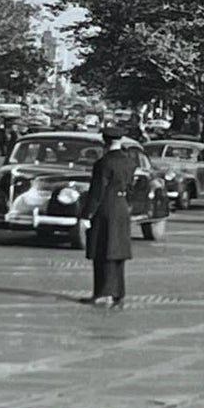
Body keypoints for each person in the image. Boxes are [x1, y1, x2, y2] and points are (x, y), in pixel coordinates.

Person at [83, 127, 134, 307]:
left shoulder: (103, 163)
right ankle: (119, 292)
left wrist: (86, 214)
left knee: (103, 251)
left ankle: (103, 293)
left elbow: (97, 192)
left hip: (106, 209)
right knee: (118, 252)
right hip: (121, 208)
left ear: (104, 141)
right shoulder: (129, 161)